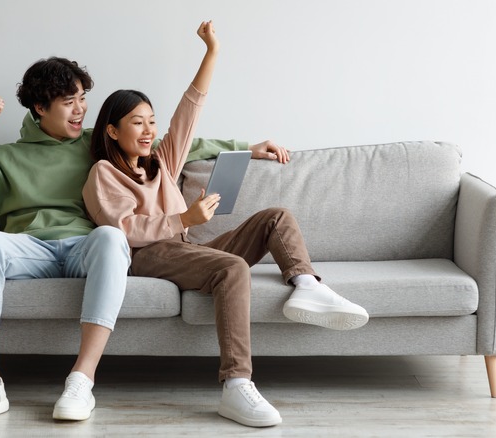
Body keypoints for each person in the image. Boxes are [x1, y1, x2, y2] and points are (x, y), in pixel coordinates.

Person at [0, 46, 289, 425]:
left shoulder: (98, 145)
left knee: (111, 236)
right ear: (40, 108)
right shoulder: (3, 158)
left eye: (83, 100)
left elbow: (173, 145)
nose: (79, 110)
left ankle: (81, 379)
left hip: (87, 247)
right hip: (30, 248)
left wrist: (246, 149)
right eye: (68, 102)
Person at [82, 21, 369, 428]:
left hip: (185, 248)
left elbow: (190, 109)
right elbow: (122, 229)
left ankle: (307, 286)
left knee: (276, 217)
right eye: (137, 122)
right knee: (232, 268)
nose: (149, 130)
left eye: (151, 121)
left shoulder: (162, 162)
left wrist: (211, 52)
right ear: (112, 129)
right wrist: (185, 218)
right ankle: (236, 385)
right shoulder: (103, 174)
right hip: (146, 256)